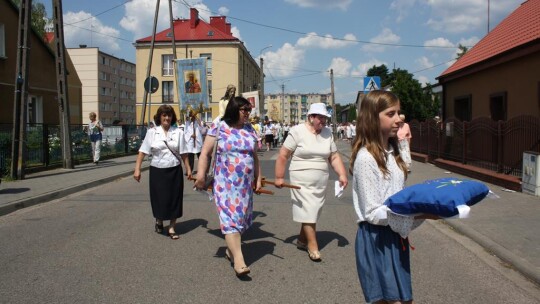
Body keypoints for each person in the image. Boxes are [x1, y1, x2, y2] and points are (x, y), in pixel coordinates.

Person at [350, 90, 438, 303]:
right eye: (391, 114)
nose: (399, 119)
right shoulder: (366, 158)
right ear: (372, 117)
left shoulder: (392, 150)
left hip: (395, 235)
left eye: (399, 113)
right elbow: (372, 212)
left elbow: (405, 168)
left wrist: (404, 141)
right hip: (377, 237)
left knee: (404, 299)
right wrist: (418, 215)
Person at [195, 97, 262, 277]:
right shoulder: (220, 127)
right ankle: (239, 261)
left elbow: (255, 157)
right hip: (224, 184)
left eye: (249, 110)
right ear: (234, 110)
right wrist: (201, 175)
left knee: (240, 221)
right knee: (230, 221)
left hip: (245, 186)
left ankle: (230, 251)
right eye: (244, 110)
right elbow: (205, 153)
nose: (248, 114)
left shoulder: (250, 130)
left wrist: (259, 178)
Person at [274, 103, 348, 261]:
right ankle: (312, 245)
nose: (324, 121)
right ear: (311, 117)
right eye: (320, 118)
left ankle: (301, 240)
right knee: (308, 209)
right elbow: (283, 155)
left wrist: (342, 174)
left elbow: (333, 157)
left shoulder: (327, 133)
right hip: (300, 178)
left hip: (321, 179)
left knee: (313, 210)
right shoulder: (297, 131)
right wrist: (279, 177)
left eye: (325, 118)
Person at [133, 105, 191, 240]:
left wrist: (188, 168)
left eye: (169, 115)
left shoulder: (179, 132)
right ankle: (159, 220)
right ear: (159, 117)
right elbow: (143, 151)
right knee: (160, 199)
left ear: (172, 117)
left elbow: (184, 153)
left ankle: (171, 227)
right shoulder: (152, 132)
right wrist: (137, 169)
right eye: (164, 115)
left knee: (174, 199)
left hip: (174, 169)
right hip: (157, 171)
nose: (167, 118)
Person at [184, 110, 203, 175]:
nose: (192, 117)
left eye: (193, 116)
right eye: (191, 116)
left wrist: (196, 116)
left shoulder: (198, 123)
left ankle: (202, 170)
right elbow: (185, 132)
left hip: (197, 142)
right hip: (190, 142)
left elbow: (201, 128)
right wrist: (190, 135)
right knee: (190, 158)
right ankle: (189, 170)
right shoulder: (187, 123)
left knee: (200, 157)